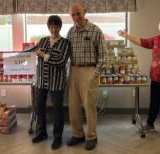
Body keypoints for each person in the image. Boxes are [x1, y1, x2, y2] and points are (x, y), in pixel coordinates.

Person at [24, 15, 71, 150]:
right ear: (48, 27)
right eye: (51, 27)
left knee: (57, 110)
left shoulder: (65, 43)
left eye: (56, 27)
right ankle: (41, 133)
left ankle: (57, 138)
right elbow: (31, 52)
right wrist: (14, 57)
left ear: (60, 27)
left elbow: (61, 61)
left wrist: (44, 55)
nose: (53, 29)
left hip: (57, 82)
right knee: (39, 107)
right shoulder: (43, 41)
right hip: (41, 81)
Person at [66, 3, 107, 150]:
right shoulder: (70, 32)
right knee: (73, 106)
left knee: (89, 106)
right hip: (73, 71)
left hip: (89, 71)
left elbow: (103, 56)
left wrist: (94, 75)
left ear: (85, 12)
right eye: (73, 15)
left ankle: (91, 136)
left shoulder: (95, 30)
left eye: (78, 13)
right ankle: (77, 134)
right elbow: (66, 54)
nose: (76, 17)